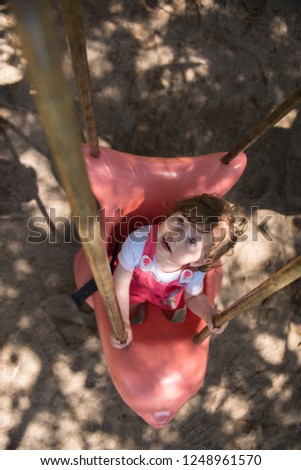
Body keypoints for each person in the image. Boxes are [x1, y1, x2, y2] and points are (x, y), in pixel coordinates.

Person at [111, 193, 246, 349]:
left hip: (166, 295)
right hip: (134, 287)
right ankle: (131, 316)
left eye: (192, 240)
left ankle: (158, 316)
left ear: (199, 260)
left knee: (167, 312)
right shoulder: (138, 241)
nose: (175, 235)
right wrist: (123, 322)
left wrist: (208, 313)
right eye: (180, 222)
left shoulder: (194, 271)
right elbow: (120, 284)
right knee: (128, 307)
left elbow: (193, 297)